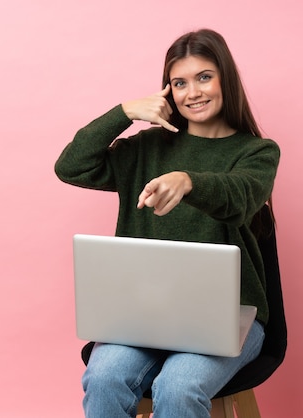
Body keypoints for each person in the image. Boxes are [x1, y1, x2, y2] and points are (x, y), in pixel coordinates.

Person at [54, 29, 280, 418]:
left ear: (226, 78)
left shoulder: (257, 152)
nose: (192, 92)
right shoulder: (146, 148)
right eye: (180, 82)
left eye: (204, 77)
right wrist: (123, 112)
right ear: (167, 91)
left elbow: (240, 196)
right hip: (144, 316)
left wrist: (188, 180)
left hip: (230, 317)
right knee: (104, 378)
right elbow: (71, 166)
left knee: (178, 386)